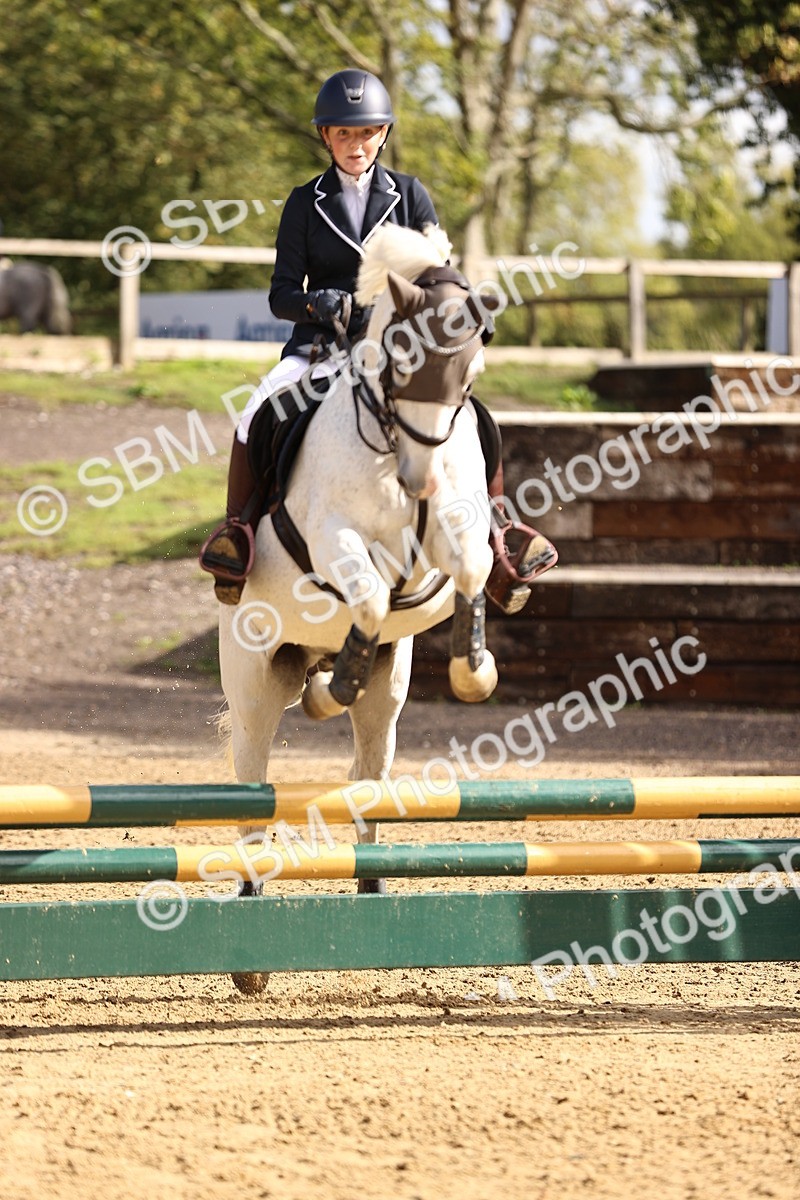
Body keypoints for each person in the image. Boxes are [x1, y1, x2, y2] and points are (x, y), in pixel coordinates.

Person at [200, 68, 556, 613]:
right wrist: (316, 303)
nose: (355, 144)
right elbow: (279, 295)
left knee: (475, 416)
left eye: (365, 133)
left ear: (383, 133)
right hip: (321, 346)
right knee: (254, 413)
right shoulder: (303, 202)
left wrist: (462, 317)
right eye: (343, 133)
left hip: (399, 350)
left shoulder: (410, 195)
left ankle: (498, 532)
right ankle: (238, 535)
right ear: (326, 137)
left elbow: (439, 276)